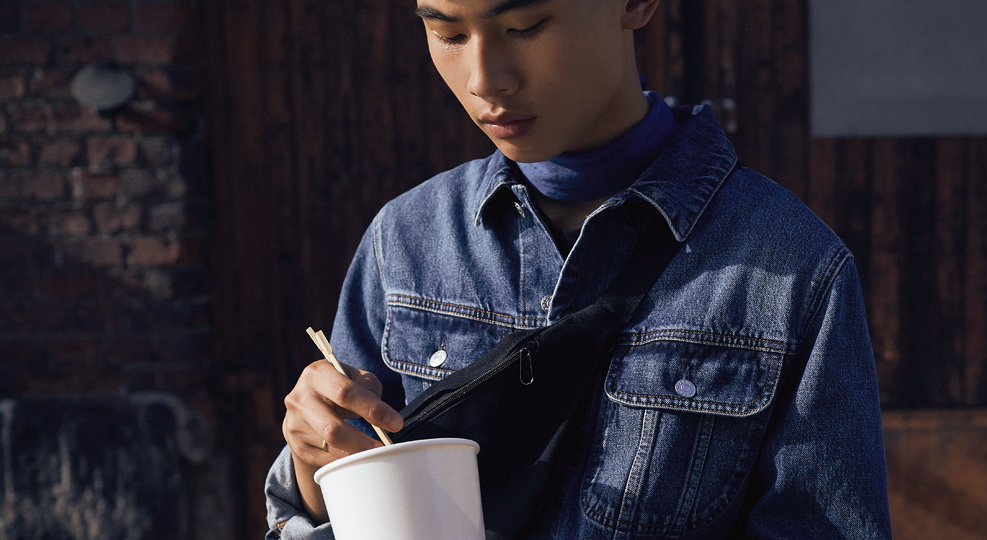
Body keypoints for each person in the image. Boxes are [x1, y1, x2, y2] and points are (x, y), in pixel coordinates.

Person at [263, 0, 892, 537]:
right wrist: (318, 471)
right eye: (448, 33)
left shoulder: (793, 270)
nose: (484, 78)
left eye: (526, 25)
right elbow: (337, 512)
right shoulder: (404, 241)